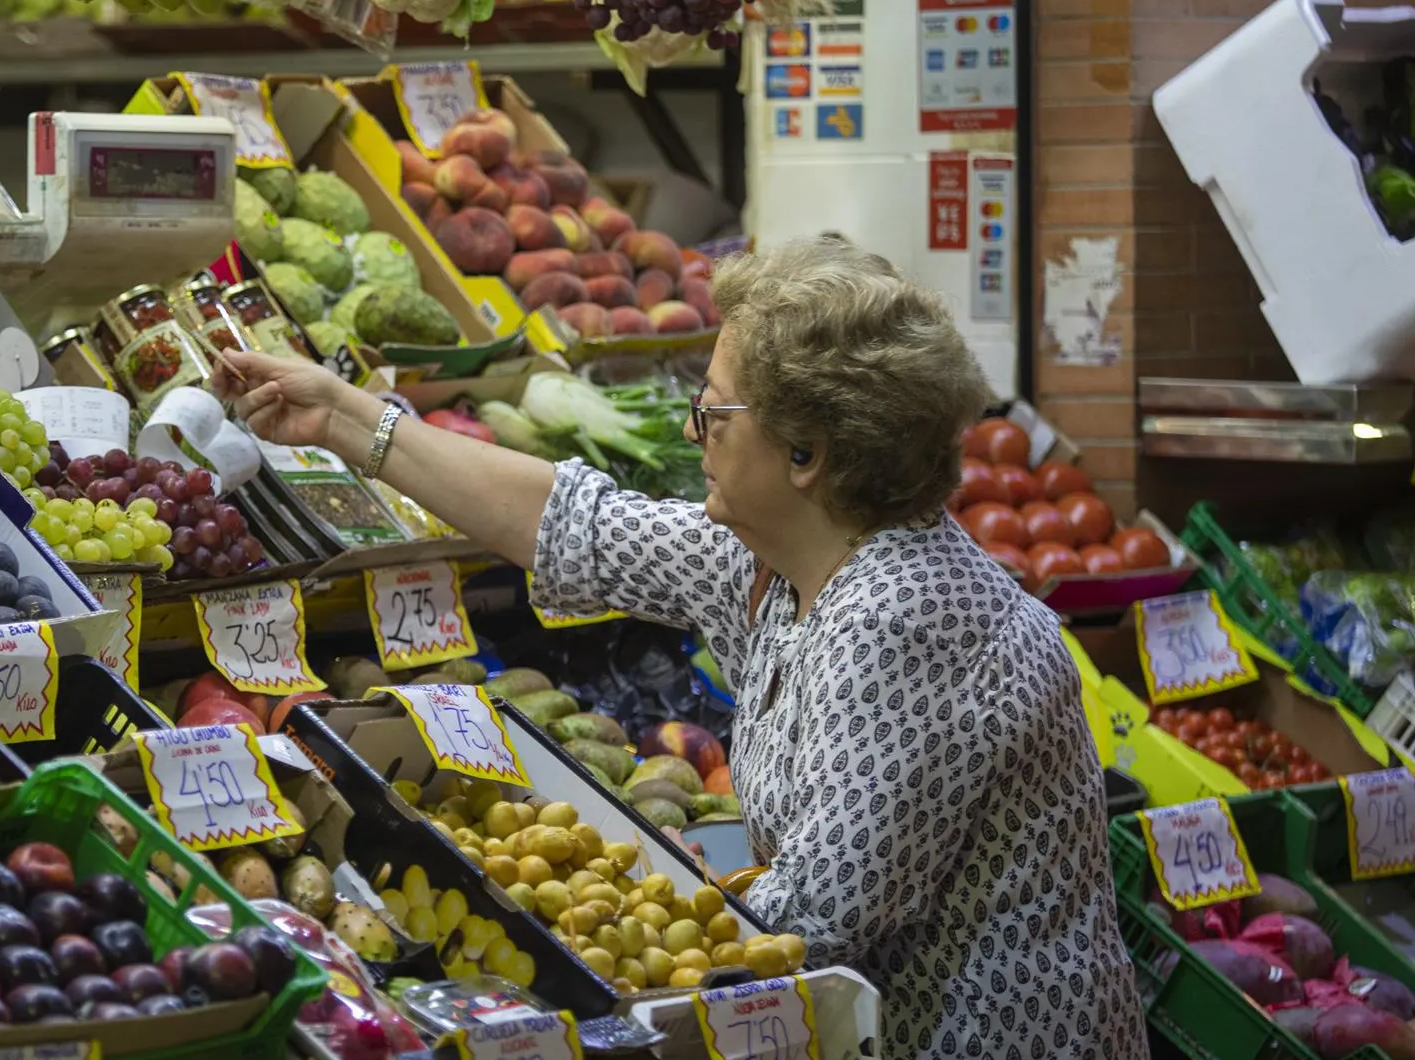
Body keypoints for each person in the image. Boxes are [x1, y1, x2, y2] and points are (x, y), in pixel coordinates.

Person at [215, 235, 1148, 1060]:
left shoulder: (903, 623)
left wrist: (587, 958)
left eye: (714, 413)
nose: (696, 431)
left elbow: (809, 931)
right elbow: (572, 523)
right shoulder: (787, 556)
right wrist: (341, 417)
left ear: (807, 454)